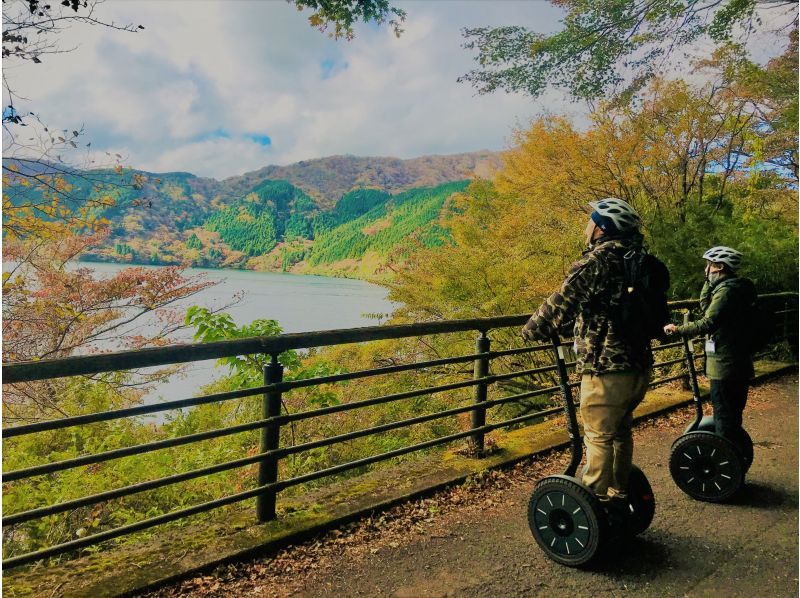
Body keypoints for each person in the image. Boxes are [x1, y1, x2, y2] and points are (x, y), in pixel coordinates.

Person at [521, 198, 655, 503]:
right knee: (620, 432)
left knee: (598, 436)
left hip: (606, 369)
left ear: (601, 228)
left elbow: (560, 301)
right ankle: (620, 494)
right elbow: (603, 309)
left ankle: (595, 503)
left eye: (591, 221)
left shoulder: (600, 261)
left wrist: (531, 330)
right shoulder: (636, 258)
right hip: (639, 366)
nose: (587, 226)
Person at [664, 246, 756, 452]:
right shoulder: (734, 289)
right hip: (737, 362)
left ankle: (728, 468)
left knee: (724, 416)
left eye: (709, 265)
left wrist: (678, 329)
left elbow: (708, 322)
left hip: (726, 365)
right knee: (731, 416)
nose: (706, 269)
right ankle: (735, 460)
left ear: (720, 266)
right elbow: (707, 307)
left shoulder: (727, 292)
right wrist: (708, 283)